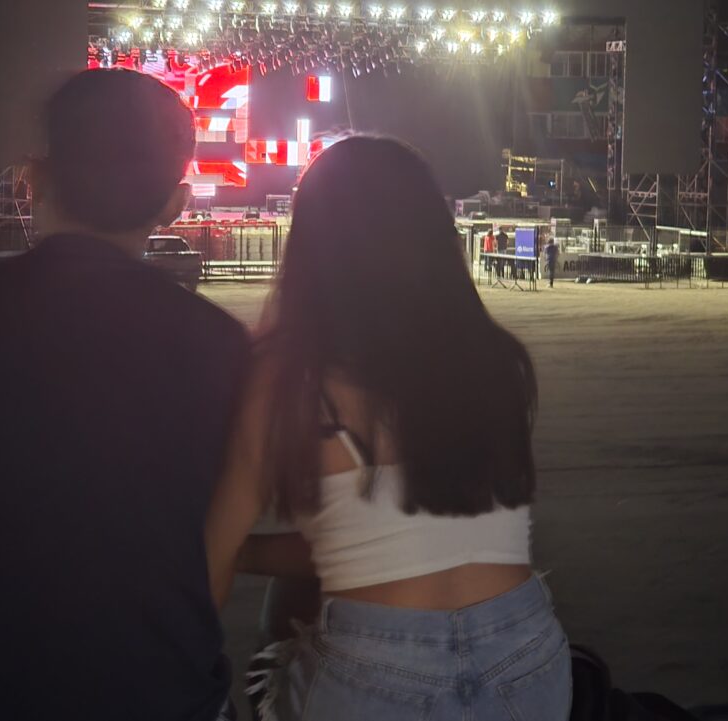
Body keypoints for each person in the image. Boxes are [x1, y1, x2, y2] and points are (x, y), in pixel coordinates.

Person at [0, 69, 250, 721]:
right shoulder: (222, 345)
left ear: (34, 176)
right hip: (159, 695)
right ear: (177, 202)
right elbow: (208, 583)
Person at [205, 136, 570, 721]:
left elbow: (208, 568)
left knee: (281, 626)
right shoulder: (493, 362)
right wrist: (251, 555)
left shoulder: (290, 377)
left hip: (370, 677)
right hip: (528, 658)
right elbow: (406, 538)